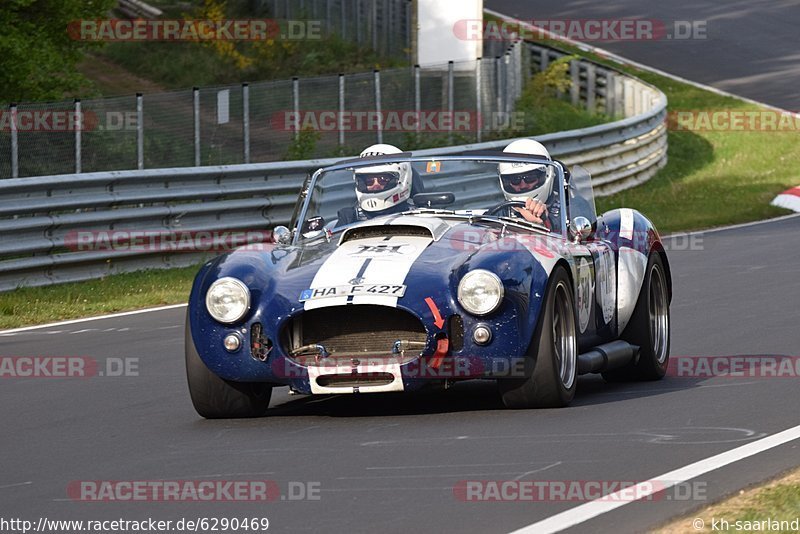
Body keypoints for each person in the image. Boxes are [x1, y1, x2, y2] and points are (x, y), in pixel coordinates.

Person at [337, 144, 423, 226]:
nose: (375, 185)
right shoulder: (349, 218)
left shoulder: (418, 216)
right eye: (369, 181)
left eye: (383, 180)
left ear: (402, 178)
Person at [497, 138, 560, 228]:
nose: (523, 186)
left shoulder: (568, 211)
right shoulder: (499, 213)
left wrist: (544, 222)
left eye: (530, 178)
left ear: (547, 175)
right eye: (515, 180)